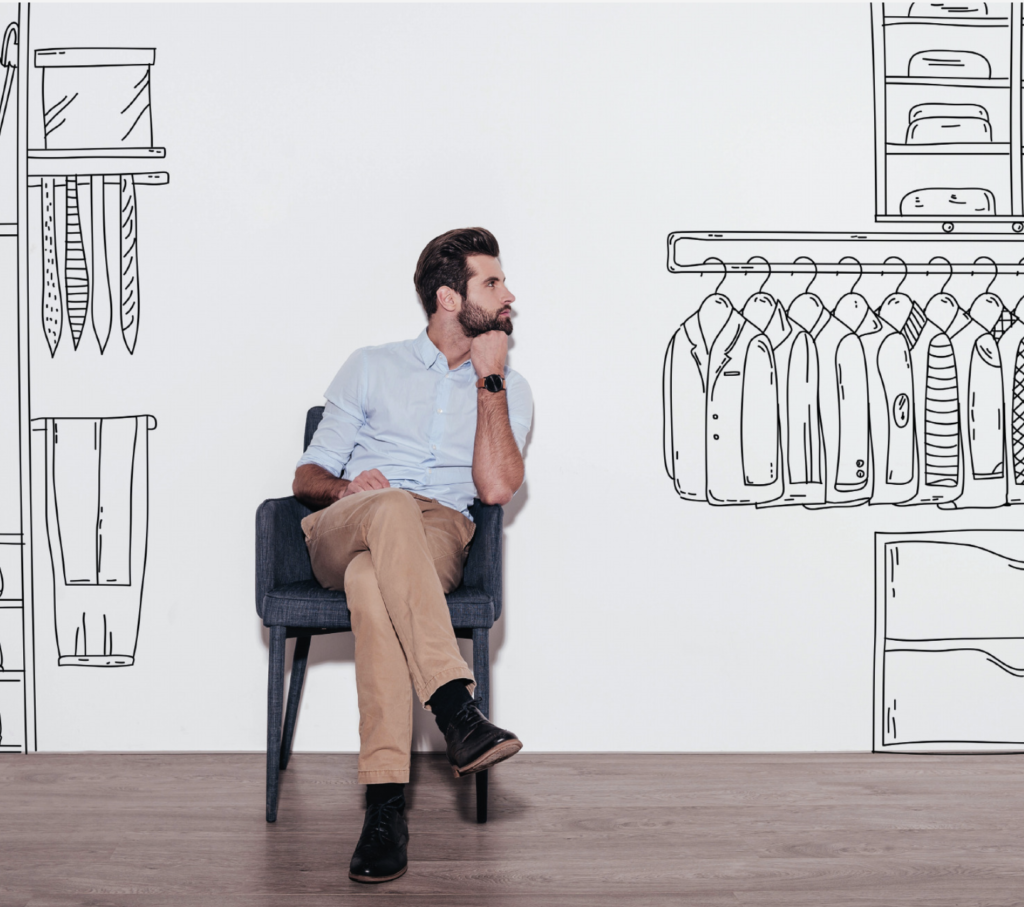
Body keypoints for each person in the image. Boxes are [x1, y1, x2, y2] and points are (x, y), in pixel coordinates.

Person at [292, 227, 533, 883]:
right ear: (450, 298)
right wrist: (347, 488)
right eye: (492, 282)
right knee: (389, 507)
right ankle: (456, 709)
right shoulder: (372, 365)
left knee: (374, 586)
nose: (509, 295)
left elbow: (496, 489)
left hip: (437, 534)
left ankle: (384, 807)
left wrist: (489, 378)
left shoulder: (508, 388)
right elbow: (307, 475)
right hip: (350, 520)